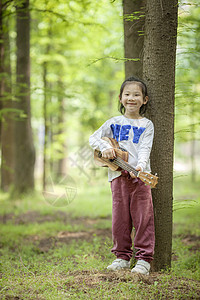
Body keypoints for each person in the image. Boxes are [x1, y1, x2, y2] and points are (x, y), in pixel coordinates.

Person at [89, 76, 155, 275]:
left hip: (141, 177)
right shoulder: (114, 122)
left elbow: (145, 148)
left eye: (136, 95)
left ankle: (144, 259)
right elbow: (94, 138)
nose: (131, 98)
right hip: (117, 177)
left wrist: (141, 167)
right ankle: (122, 257)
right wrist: (107, 147)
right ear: (120, 98)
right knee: (120, 219)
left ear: (145, 100)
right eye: (127, 94)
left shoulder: (147, 125)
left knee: (143, 218)